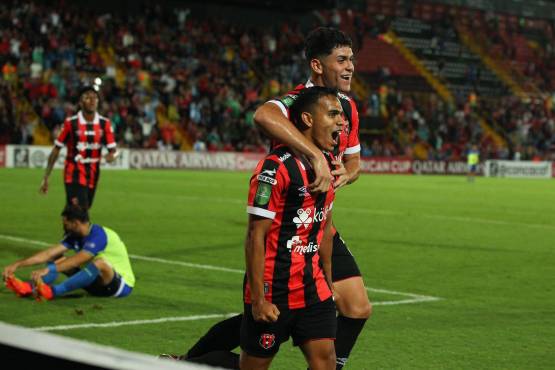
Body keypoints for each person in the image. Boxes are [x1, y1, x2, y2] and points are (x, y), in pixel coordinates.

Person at [161, 28, 371, 370]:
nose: (351, 67)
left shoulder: (346, 106)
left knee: (356, 307)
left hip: (318, 220)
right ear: (318, 65)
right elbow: (262, 116)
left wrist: (348, 173)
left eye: (352, 60)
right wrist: (314, 156)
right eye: (342, 60)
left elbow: (353, 160)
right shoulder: (295, 101)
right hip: (285, 220)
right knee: (264, 319)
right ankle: (191, 361)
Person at [241, 86, 342, 370]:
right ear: (308, 120)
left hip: (313, 289)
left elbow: (325, 230)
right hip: (273, 292)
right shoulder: (274, 169)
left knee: (326, 363)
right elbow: (254, 236)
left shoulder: (330, 166)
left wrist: (329, 285)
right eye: (333, 114)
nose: (341, 122)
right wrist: (258, 299)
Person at [3, 204, 135, 300]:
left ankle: (53, 292)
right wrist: (17, 264)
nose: (64, 227)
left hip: (118, 287)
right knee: (56, 257)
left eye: (66, 224)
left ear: (76, 223)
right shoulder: (74, 236)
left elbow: (80, 259)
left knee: (100, 263)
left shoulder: (99, 235)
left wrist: (50, 269)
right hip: (95, 284)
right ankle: (31, 288)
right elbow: (48, 254)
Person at [39, 85, 118, 209]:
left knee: (80, 210)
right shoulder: (71, 123)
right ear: (81, 102)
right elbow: (56, 148)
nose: (92, 100)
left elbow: (114, 151)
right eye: (87, 97)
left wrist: (112, 156)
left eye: (95, 98)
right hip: (73, 173)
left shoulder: (105, 123)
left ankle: (68, 222)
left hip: (93, 174)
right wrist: (46, 176)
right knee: (79, 213)